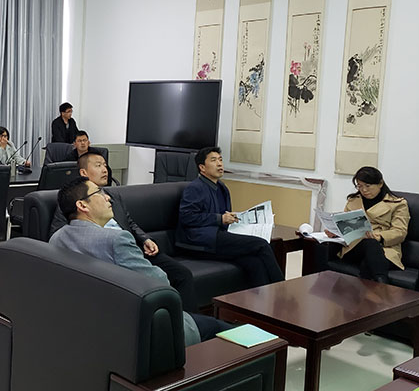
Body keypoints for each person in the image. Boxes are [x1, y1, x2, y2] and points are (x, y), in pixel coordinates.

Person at [49, 177, 231, 346]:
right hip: (136, 325)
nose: (108, 198)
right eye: (99, 193)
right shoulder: (116, 239)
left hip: (90, 323)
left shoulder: (57, 238)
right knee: (222, 328)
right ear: (82, 205)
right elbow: (160, 282)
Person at [50, 151, 197, 312]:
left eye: (105, 165)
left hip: (132, 247)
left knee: (182, 274)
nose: (105, 170)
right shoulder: (70, 202)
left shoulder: (113, 196)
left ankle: (184, 317)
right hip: (107, 253)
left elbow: (129, 222)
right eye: (98, 166)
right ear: (84, 172)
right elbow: (61, 236)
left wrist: (145, 239)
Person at [176, 147, 283, 288]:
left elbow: (223, 215)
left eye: (220, 160)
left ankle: (263, 299)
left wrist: (233, 218)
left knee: (254, 262)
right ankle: (282, 290)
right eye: (213, 160)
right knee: (261, 245)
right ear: (202, 167)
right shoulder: (194, 188)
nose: (219, 164)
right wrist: (220, 219)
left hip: (218, 236)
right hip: (198, 241)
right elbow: (187, 217)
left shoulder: (222, 188)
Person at [325, 166, 409, 283]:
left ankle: (380, 284)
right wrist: (335, 231)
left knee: (369, 253)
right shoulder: (354, 200)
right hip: (355, 246)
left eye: (368, 186)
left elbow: (400, 232)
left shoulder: (398, 204)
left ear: (380, 184)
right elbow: (345, 223)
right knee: (323, 246)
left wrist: (379, 237)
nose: (364, 190)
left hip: (384, 248)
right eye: (360, 186)